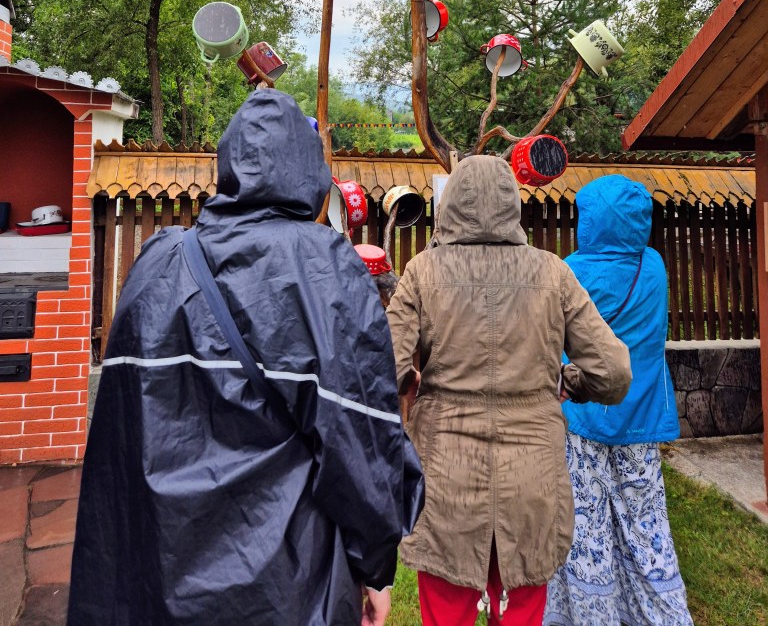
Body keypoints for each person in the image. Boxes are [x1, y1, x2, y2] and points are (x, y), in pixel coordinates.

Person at [68, 89, 424, 626]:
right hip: (288, 589)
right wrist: (376, 569)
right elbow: (361, 442)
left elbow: (116, 444)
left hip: (159, 573)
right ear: (310, 170)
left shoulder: (157, 262)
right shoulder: (324, 270)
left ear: (230, 163)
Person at [386, 155, 632, 626]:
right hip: (531, 487)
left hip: (446, 487)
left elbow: (380, 369)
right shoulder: (553, 273)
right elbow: (614, 372)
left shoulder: (422, 272)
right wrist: (568, 383)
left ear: (450, 203)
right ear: (511, 204)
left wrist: (411, 381)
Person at [544, 175, 693, 626]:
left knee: (585, 521)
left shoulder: (571, 271)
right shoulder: (654, 267)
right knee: (645, 523)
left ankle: (591, 612)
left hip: (582, 414)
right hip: (641, 417)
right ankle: (663, 611)